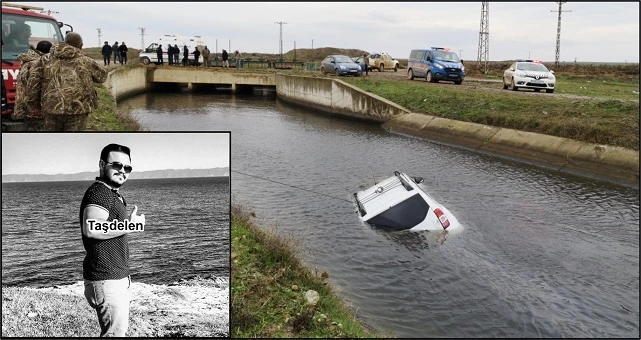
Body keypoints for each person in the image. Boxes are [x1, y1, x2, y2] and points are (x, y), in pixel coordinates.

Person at [80, 143, 145, 337]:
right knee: (115, 334)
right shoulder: (99, 193)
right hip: (106, 279)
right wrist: (131, 225)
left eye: (127, 168)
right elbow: (91, 228)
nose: (122, 171)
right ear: (102, 164)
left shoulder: (112, 194)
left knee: (118, 332)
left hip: (114, 277)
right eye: (117, 165)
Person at [26, 32, 107, 131]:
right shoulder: (86, 61)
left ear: (64, 43)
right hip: (78, 109)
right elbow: (102, 77)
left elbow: (33, 84)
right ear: (81, 46)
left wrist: (33, 105)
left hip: (51, 108)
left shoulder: (44, 60)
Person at [13, 40, 52, 131]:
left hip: (25, 105)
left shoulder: (26, 61)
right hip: (35, 109)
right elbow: (33, 87)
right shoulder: (38, 63)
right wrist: (35, 107)